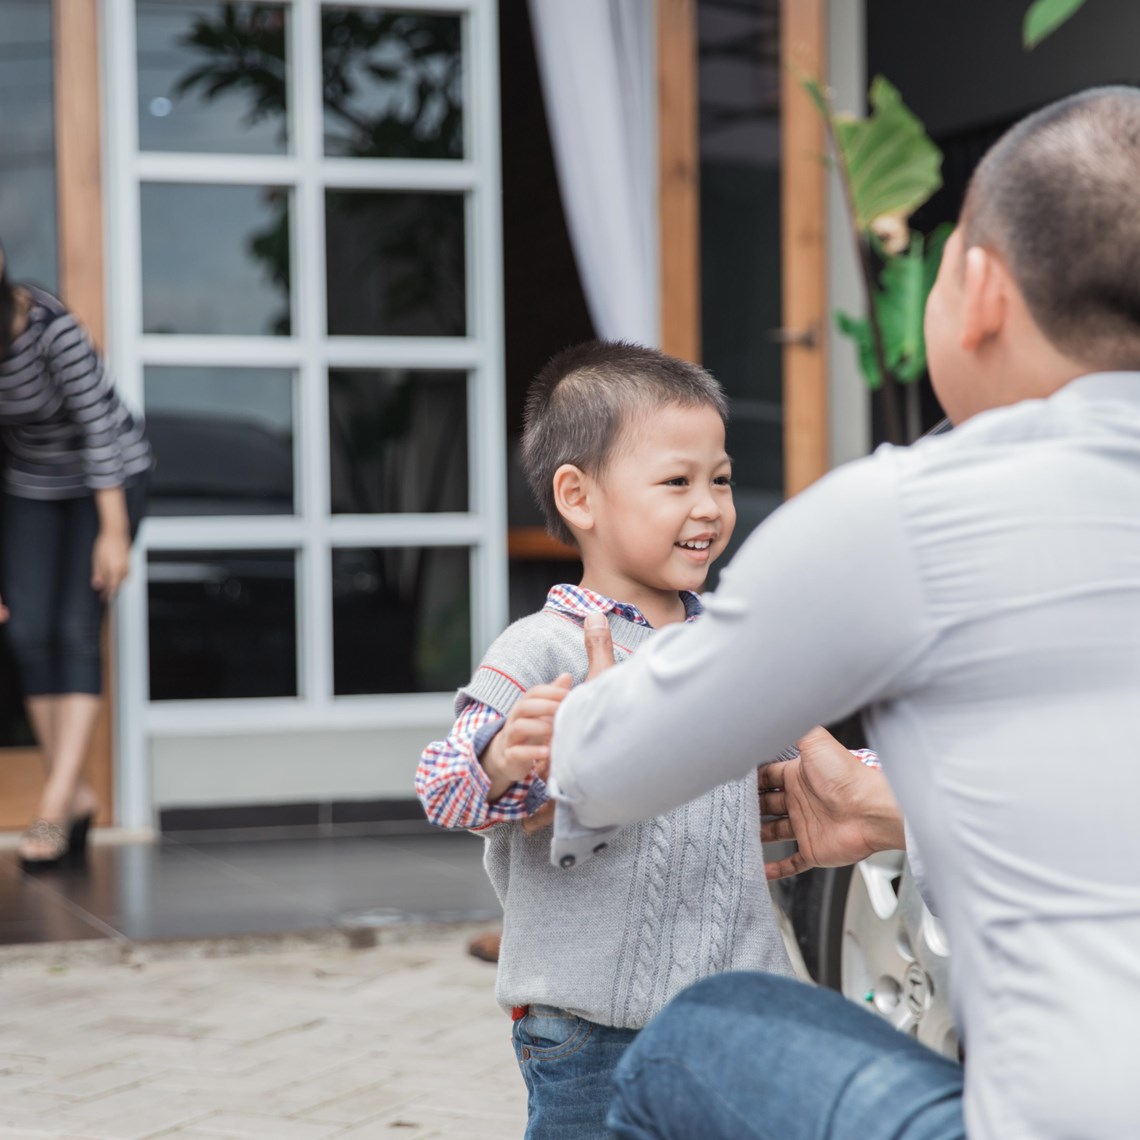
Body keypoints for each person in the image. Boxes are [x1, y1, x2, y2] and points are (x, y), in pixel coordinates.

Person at [541, 88, 1140, 1139]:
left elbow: (605, 766)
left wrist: (594, 705)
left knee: (701, 1031)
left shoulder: (910, 515)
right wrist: (886, 806)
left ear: (981, 289)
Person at [416, 342, 869, 1139]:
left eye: (720, 479)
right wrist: (507, 760)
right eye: (677, 482)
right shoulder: (542, 648)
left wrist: (886, 781)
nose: (709, 506)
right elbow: (443, 787)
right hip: (593, 1029)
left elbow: (815, 775)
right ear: (579, 497)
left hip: (733, 1012)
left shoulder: (732, 645)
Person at [0, 244, 152, 869]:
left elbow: (99, 430)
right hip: (31, 488)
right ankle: (80, 795)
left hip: (107, 482)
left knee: (74, 629)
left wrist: (113, 532)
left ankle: (55, 803)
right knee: (28, 631)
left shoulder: (49, 330)